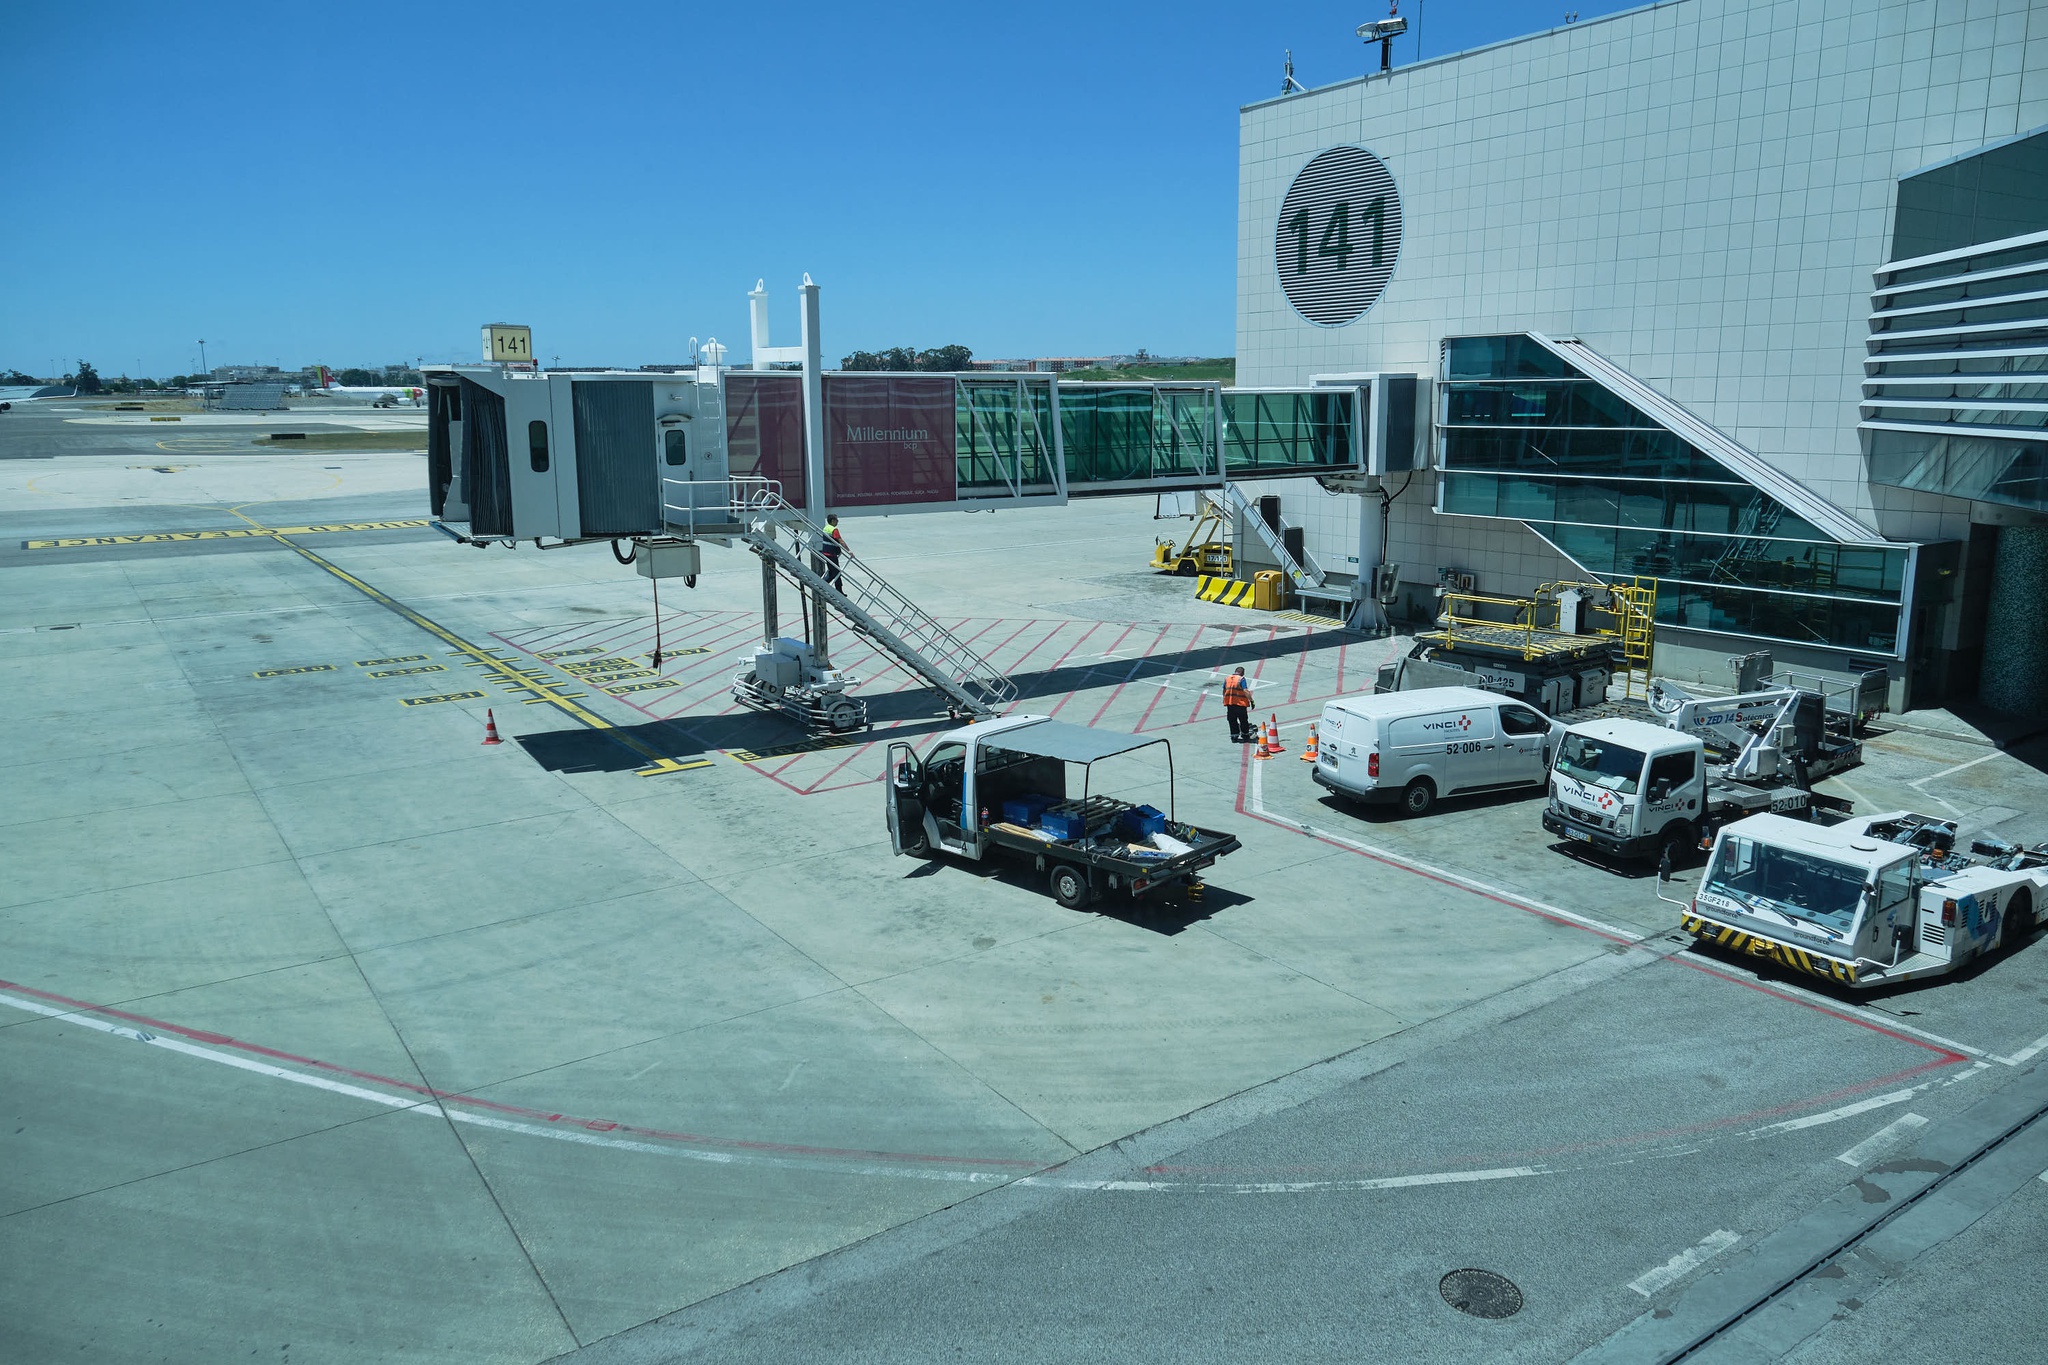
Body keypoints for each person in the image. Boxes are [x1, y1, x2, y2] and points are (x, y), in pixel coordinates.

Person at [1223, 666, 1254, 744]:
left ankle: (1234, 736)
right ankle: (1245, 734)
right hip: (1240, 703)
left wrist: (1225, 699)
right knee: (1243, 720)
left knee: (1232, 720)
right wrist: (1251, 700)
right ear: (1242, 673)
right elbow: (1245, 691)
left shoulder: (1227, 679)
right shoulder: (1241, 679)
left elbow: (1224, 690)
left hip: (1230, 703)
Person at [821, 512, 846, 587]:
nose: (837, 522)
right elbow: (840, 540)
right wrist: (849, 551)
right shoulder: (834, 530)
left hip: (826, 552)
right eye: (836, 520)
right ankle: (839, 590)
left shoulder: (826, 528)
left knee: (832, 572)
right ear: (832, 521)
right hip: (832, 554)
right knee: (837, 573)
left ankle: (823, 583)